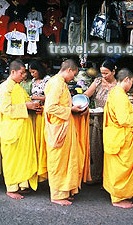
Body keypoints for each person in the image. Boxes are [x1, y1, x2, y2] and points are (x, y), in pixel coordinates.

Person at [103, 68, 133, 209]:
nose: (131, 85)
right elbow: (124, 119)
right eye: (131, 82)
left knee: (115, 168)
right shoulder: (120, 95)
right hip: (121, 138)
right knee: (121, 169)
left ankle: (117, 194)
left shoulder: (114, 93)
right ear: (127, 80)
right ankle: (118, 198)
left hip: (114, 136)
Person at [43, 59, 85, 205]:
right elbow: (50, 108)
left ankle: (65, 190)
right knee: (58, 161)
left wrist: (71, 108)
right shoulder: (56, 83)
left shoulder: (60, 82)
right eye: (74, 74)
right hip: (59, 128)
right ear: (68, 70)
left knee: (67, 160)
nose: (73, 78)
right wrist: (70, 110)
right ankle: (56, 195)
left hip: (64, 126)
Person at [0, 60, 40, 199]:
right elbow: (6, 109)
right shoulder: (5, 88)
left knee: (23, 157)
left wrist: (34, 106)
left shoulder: (18, 87)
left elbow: (26, 102)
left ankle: (22, 185)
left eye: (24, 73)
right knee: (12, 159)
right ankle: (11, 187)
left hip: (23, 128)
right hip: (12, 129)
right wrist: (26, 106)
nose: (24, 75)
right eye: (21, 73)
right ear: (13, 72)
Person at [84, 59, 117, 184]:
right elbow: (87, 94)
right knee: (96, 148)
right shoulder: (97, 81)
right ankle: (97, 175)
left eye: (106, 73)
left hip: (113, 120)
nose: (104, 76)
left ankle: (109, 178)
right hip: (97, 118)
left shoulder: (118, 84)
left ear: (113, 71)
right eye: (102, 73)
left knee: (110, 149)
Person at [29, 60, 51, 181]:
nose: (32, 74)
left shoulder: (47, 80)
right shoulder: (33, 81)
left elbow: (49, 96)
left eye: (34, 72)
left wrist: (34, 97)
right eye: (31, 72)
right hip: (34, 110)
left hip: (44, 110)